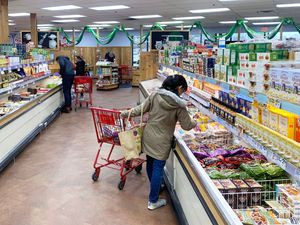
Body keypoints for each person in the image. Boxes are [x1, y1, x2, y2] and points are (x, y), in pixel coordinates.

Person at [121, 75, 197, 210]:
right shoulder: (179, 105)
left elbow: (140, 109)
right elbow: (186, 125)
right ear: (179, 88)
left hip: (149, 136)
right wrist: (194, 121)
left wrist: (126, 113)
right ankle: (153, 201)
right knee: (158, 169)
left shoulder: (155, 95)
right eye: (183, 91)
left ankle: (156, 188)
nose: (182, 94)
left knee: (150, 164)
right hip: (163, 141)